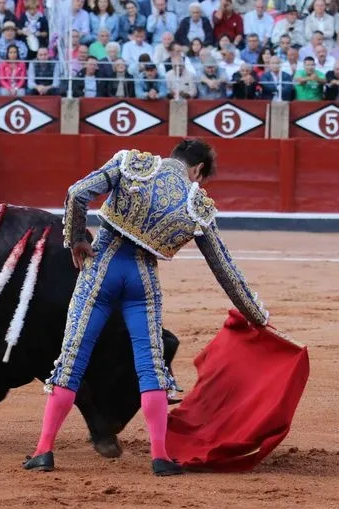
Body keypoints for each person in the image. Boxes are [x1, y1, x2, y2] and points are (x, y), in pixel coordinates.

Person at [22, 139, 270, 477]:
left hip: (101, 269)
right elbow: (225, 270)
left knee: (73, 360)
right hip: (143, 281)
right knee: (150, 365)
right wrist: (257, 317)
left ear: (176, 157)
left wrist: (78, 238)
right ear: (197, 169)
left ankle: (43, 452)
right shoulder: (196, 202)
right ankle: (160, 457)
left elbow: (77, 193)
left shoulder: (133, 164)